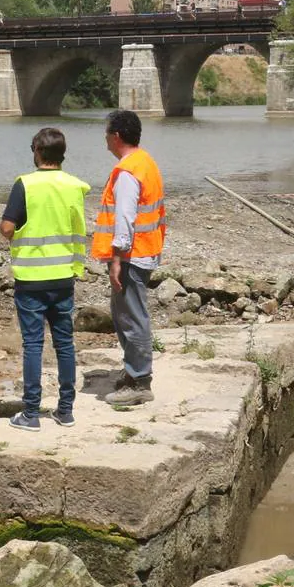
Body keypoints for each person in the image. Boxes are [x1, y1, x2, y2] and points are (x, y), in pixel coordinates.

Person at [1, 128, 90, 431]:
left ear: (37, 151)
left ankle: (30, 413)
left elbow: (7, 228)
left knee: (33, 345)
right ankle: (65, 410)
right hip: (64, 276)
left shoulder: (25, 185)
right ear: (62, 154)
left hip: (31, 279)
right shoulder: (75, 186)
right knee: (65, 343)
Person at [91, 109, 165, 407]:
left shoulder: (127, 172)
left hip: (132, 256)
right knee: (127, 315)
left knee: (132, 317)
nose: (105, 140)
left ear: (116, 136)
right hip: (145, 251)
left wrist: (117, 259)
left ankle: (139, 381)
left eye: (107, 133)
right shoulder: (145, 162)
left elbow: (125, 218)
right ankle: (134, 371)